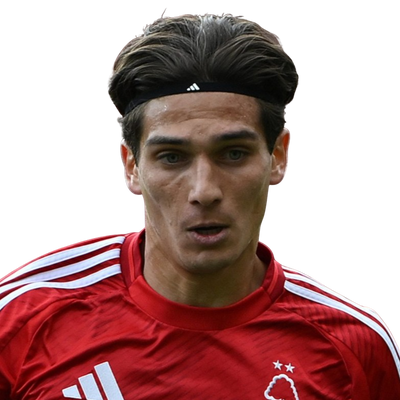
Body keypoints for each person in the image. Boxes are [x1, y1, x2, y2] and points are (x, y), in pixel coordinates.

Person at [1, 6, 399, 399]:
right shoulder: (20, 315)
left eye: (234, 153)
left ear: (279, 156)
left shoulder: (356, 346)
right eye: (172, 157)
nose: (204, 191)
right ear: (131, 165)